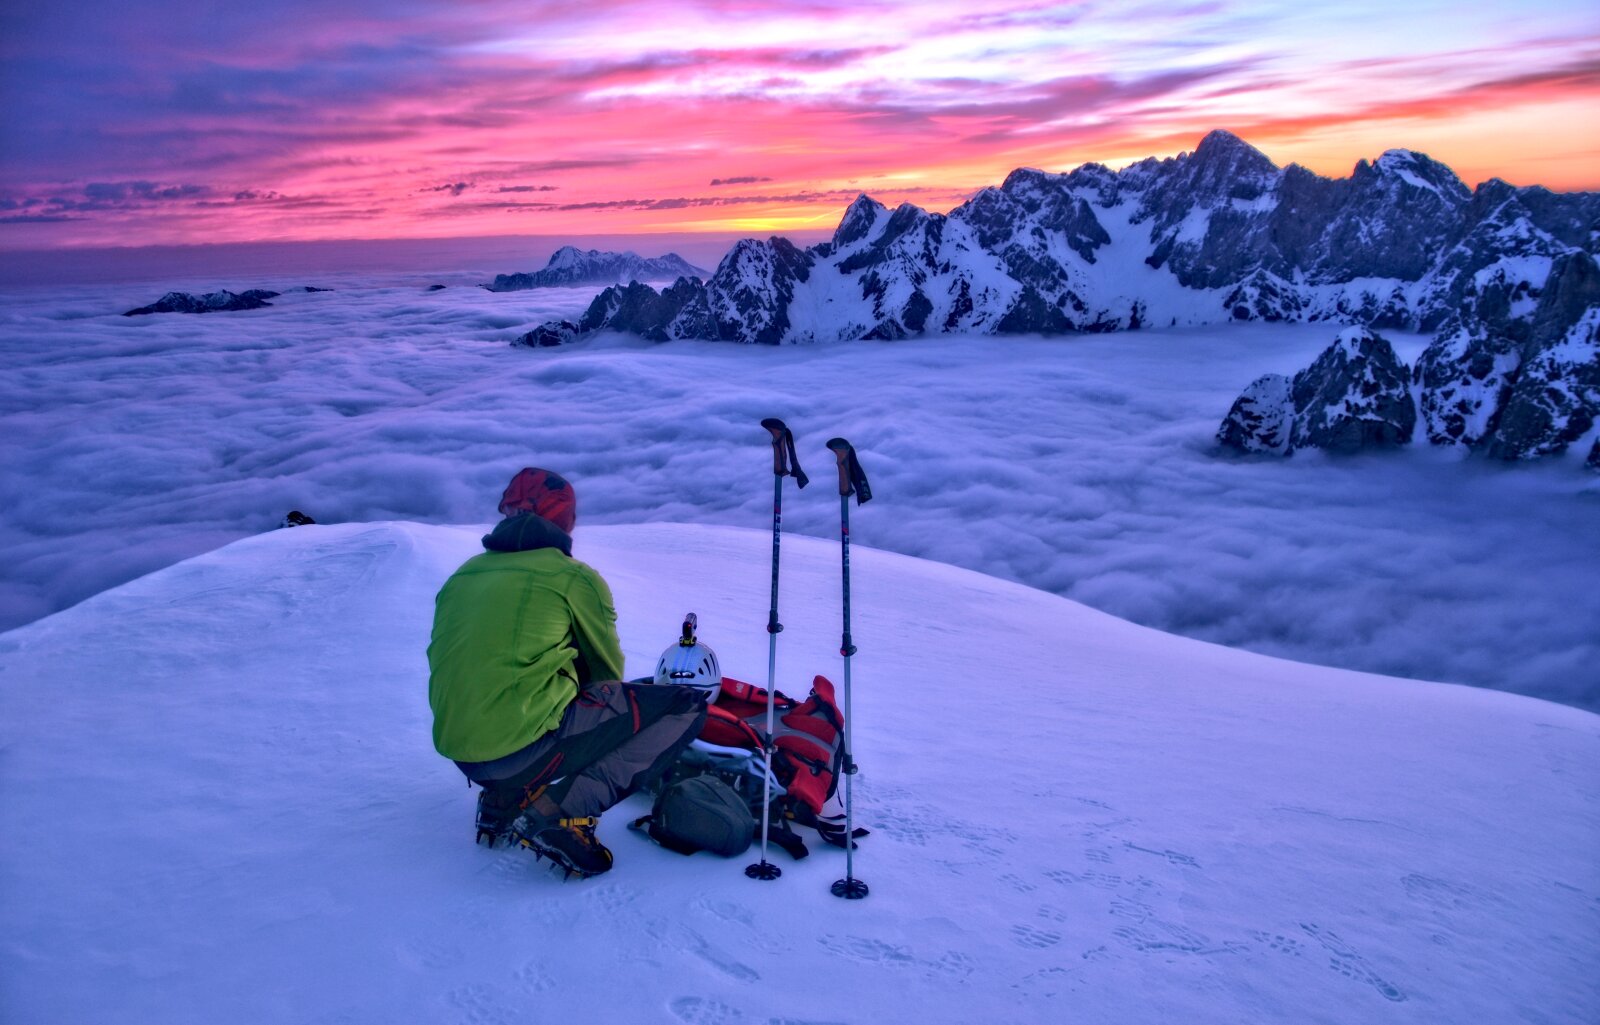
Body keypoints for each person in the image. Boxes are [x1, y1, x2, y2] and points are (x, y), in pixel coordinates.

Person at [427, 467, 709, 877]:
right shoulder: (572, 577)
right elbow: (607, 675)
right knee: (683, 706)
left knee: (537, 678)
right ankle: (560, 812)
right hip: (517, 752)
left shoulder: (464, 574)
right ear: (564, 519)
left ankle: (503, 801)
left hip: (461, 751)